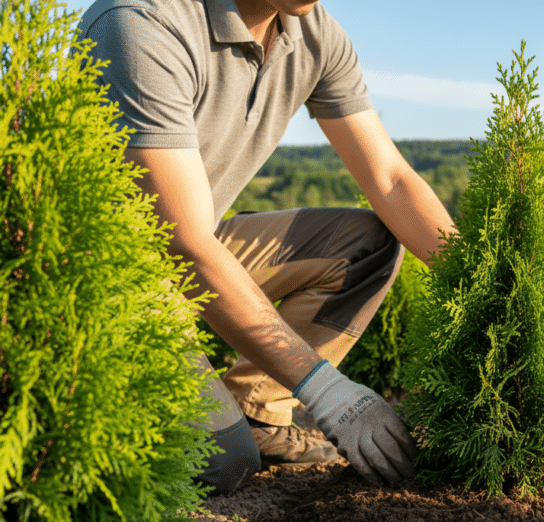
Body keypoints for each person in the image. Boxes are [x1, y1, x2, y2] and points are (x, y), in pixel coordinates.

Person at [77, 0, 456, 495]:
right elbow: (184, 244)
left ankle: (258, 413)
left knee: (367, 245)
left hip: (193, 245)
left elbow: (390, 180)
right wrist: (327, 391)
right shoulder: (141, 21)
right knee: (217, 463)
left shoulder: (312, 32)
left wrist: (483, 286)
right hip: (107, 275)